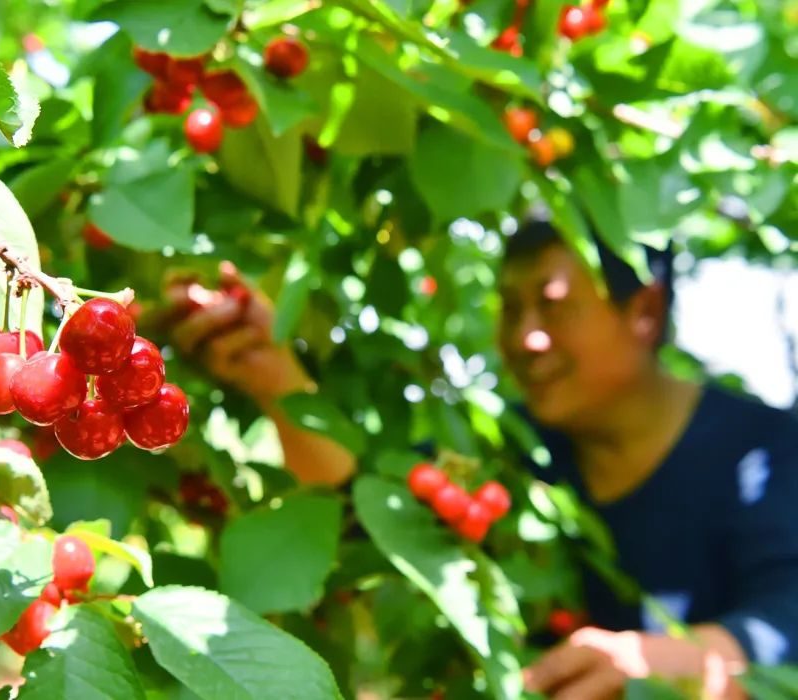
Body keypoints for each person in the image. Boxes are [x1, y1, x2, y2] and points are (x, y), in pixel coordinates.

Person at [166, 219, 798, 699]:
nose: (525, 337)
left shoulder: (768, 454)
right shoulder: (508, 453)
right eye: (512, 306)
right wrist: (271, 373)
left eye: (552, 304)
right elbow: (371, 513)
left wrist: (666, 661)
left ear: (644, 313)